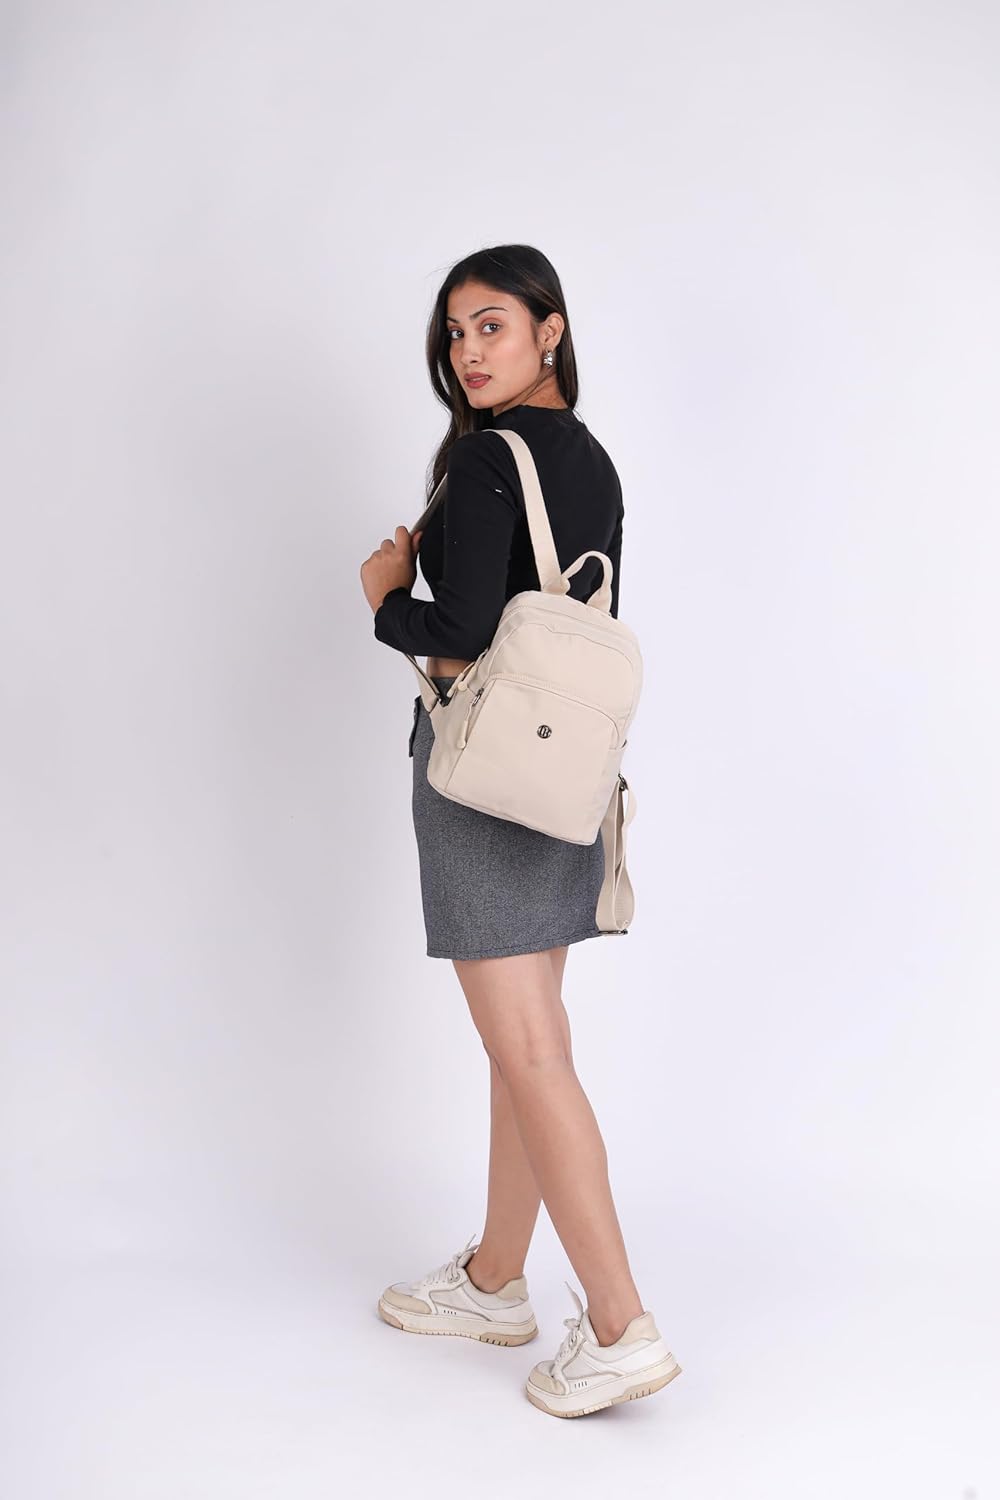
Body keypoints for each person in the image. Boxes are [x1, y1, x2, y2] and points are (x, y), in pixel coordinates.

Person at [360, 244, 681, 1418]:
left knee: (532, 1053)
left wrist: (384, 595)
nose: (467, 352)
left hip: (487, 783)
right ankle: (496, 1281)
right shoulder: (587, 458)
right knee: (527, 1046)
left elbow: (459, 633)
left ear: (551, 329)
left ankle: (619, 1326)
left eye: (490, 325)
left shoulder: (488, 460)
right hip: (567, 780)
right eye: (455, 334)